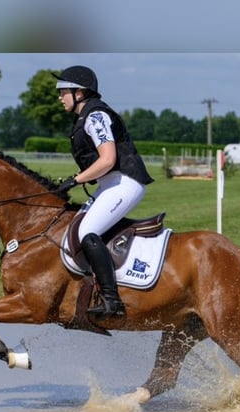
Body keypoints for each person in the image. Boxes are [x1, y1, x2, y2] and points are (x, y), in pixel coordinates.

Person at [53, 65, 154, 319]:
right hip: (110, 184)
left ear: (80, 93)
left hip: (125, 183)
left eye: (63, 91)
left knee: (87, 231)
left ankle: (112, 300)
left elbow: (107, 160)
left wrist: (75, 180)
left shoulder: (95, 116)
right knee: (74, 229)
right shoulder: (84, 116)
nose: (59, 97)